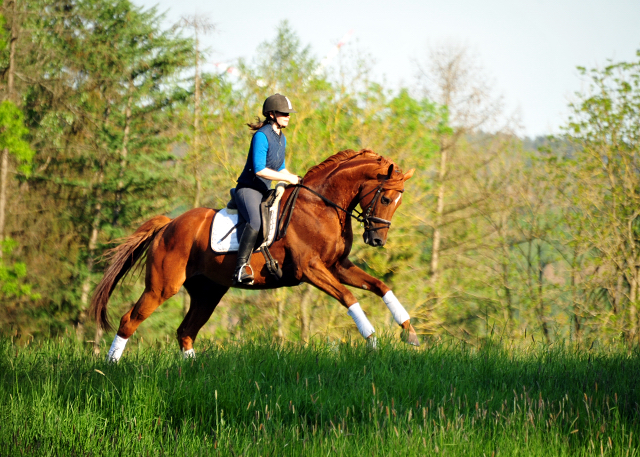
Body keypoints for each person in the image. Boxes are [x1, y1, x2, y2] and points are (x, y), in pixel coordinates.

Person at [233, 93, 301, 285]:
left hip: (265, 191)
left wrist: (295, 179)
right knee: (255, 222)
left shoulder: (282, 138)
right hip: (248, 189)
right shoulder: (261, 136)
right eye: (284, 113)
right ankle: (240, 267)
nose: (288, 116)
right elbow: (260, 169)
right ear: (271, 114)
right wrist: (287, 178)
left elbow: (280, 169)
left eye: (289, 113)